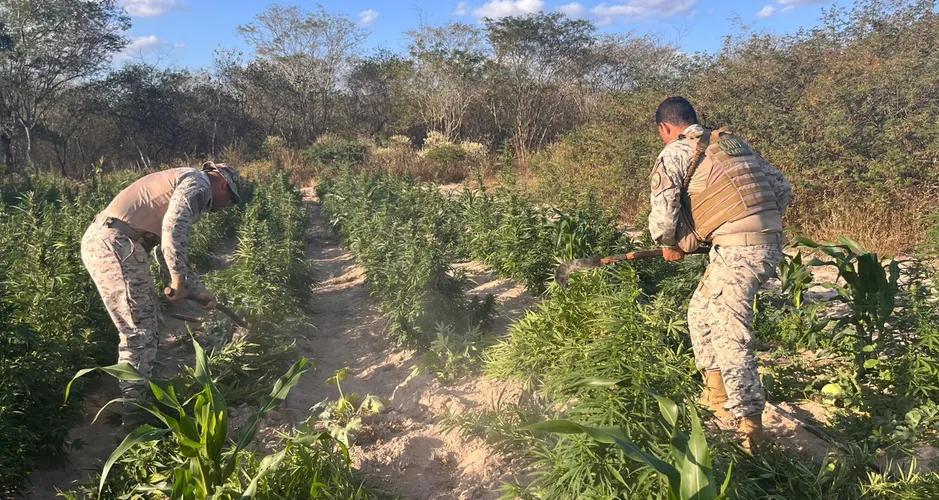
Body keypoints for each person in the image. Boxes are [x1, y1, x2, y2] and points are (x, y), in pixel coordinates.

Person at [648, 97, 791, 451]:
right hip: (764, 241)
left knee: (730, 333)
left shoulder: (676, 152)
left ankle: (750, 432)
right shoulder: (731, 143)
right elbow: (782, 188)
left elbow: (664, 217)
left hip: (740, 250)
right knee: (700, 310)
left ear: (666, 128)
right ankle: (715, 398)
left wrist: (670, 243)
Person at [81, 162, 244, 414]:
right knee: (138, 331)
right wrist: (179, 279)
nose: (226, 207)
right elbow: (173, 228)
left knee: (148, 321)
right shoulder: (198, 184)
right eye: (230, 199)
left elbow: (162, 249)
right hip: (116, 244)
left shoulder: (186, 180)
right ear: (224, 184)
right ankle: (135, 412)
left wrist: (196, 289)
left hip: (122, 244)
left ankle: (142, 392)